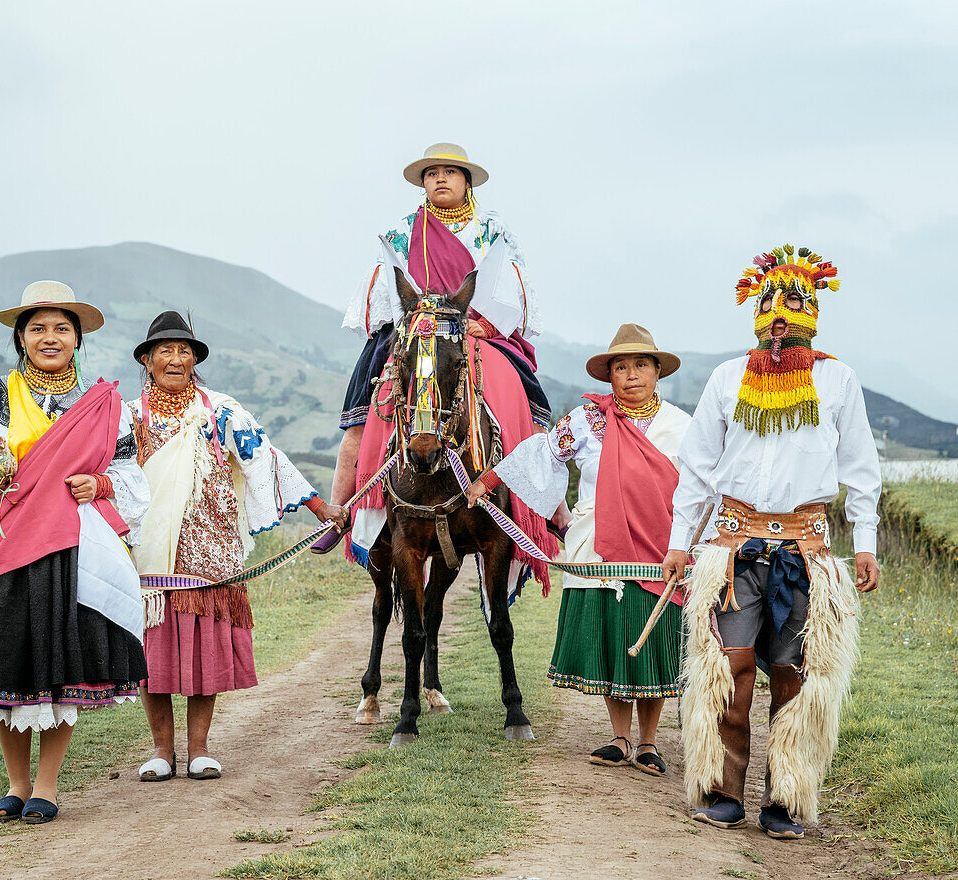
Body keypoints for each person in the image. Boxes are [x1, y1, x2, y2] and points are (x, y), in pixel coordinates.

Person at [662, 245, 881, 839]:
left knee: (795, 675)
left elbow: (861, 466)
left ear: (813, 312)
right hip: (733, 548)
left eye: (794, 303)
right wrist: (683, 541)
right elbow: (699, 468)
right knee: (725, 668)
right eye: (769, 303)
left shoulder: (838, 380)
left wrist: (866, 542)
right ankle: (720, 787)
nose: (780, 316)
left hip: (805, 551)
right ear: (755, 312)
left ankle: (786, 798)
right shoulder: (727, 378)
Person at [0, 281, 150, 824]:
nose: (50, 338)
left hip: (71, 548)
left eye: (61, 328)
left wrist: (97, 486)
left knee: (61, 667)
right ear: (20, 337)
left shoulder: (103, 406)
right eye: (38, 328)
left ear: (77, 339)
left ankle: (46, 788)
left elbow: (127, 474)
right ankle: (16, 784)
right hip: (3, 548)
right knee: (6, 661)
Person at [127, 312, 348, 781]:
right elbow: (109, 473)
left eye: (184, 351)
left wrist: (318, 506)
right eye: (164, 350)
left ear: (195, 361)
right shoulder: (128, 417)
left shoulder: (219, 411)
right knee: (156, 654)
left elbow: (266, 457)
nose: (175, 358)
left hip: (210, 550)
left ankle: (200, 750)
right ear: (146, 360)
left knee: (203, 651)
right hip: (149, 553)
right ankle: (162, 751)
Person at [312, 141, 559, 556]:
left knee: (531, 407)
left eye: (449, 171)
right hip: (414, 329)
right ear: (423, 184)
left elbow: (508, 285)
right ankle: (343, 509)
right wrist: (411, 323)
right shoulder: (402, 231)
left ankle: (551, 509)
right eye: (431, 173)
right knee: (362, 412)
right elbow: (389, 284)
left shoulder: (492, 231)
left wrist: (485, 324)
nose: (440, 178)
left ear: (467, 181)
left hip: (475, 332)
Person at [468, 324, 690, 775]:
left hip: (662, 547)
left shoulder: (682, 427)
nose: (631, 375)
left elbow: (701, 487)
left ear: (657, 373)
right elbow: (544, 453)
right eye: (621, 368)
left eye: (640, 366)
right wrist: (490, 480)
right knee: (614, 636)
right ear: (609, 377)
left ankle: (649, 742)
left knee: (651, 637)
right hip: (600, 549)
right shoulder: (587, 422)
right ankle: (620, 737)